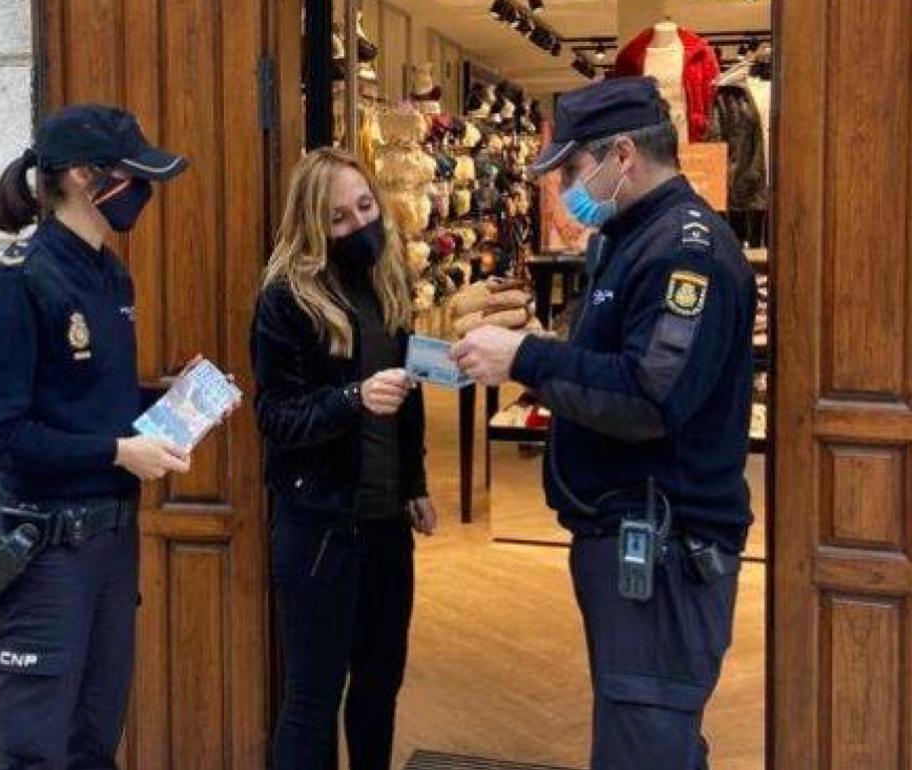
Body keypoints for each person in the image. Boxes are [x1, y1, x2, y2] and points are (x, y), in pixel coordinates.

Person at [452, 77, 756, 770]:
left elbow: (651, 398)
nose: (563, 186)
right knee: (650, 736)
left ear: (622, 154)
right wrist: (540, 344)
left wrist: (526, 357)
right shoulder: (633, 236)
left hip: (663, 550)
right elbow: (618, 362)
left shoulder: (686, 251)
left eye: (570, 168)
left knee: (643, 741)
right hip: (634, 541)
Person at [0, 104, 225, 770]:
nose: (145, 190)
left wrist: (166, 398)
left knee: (92, 743)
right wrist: (116, 452)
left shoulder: (110, 274)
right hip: (47, 552)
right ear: (85, 177)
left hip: (110, 546)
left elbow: (87, 403)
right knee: (35, 751)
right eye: (134, 175)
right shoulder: (20, 283)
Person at [251, 147, 437, 770]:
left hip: (386, 523)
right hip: (321, 527)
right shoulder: (287, 300)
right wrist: (352, 399)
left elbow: (408, 399)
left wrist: (414, 481)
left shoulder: (390, 281)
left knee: (380, 690)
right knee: (313, 698)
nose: (360, 226)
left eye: (365, 207)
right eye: (339, 219)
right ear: (312, 228)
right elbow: (275, 418)